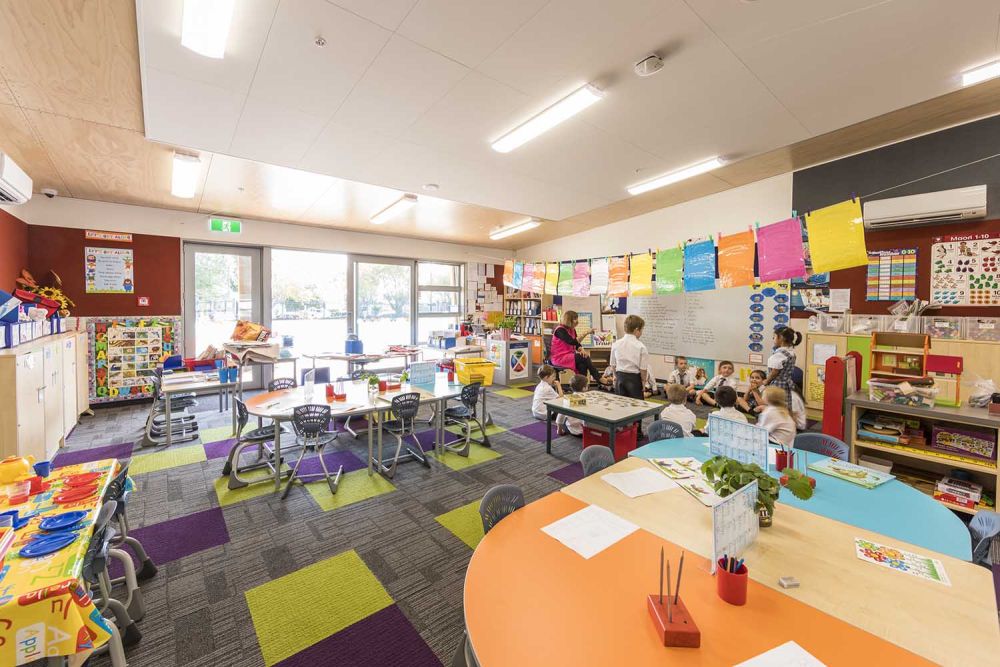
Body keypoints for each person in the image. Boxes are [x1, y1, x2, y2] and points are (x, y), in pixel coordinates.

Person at [609, 314, 650, 436]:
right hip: (634, 378)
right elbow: (643, 369)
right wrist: (643, 382)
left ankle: (621, 429)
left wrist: (615, 376)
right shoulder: (641, 346)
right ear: (637, 329)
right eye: (641, 330)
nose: (641, 332)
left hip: (620, 377)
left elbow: (613, 364)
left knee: (621, 404)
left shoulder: (616, 344)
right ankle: (636, 432)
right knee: (637, 406)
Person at [550, 310, 610, 386]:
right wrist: (586, 333)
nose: (577, 321)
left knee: (583, 364)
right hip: (559, 357)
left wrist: (582, 350)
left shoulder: (572, 330)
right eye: (575, 319)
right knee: (584, 358)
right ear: (569, 320)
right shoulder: (560, 330)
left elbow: (577, 344)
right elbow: (572, 341)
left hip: (569, 355)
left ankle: (581, 386)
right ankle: (598, 378)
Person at [762, 326, 803, 412]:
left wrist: (766, 381)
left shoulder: (780, 353)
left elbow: (775, 371)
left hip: (777, 385)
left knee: (776, 407)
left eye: (774, 337)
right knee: (784, 407)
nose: (773, 339)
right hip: (786, 384)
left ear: (780, 338)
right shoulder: (790, 352)